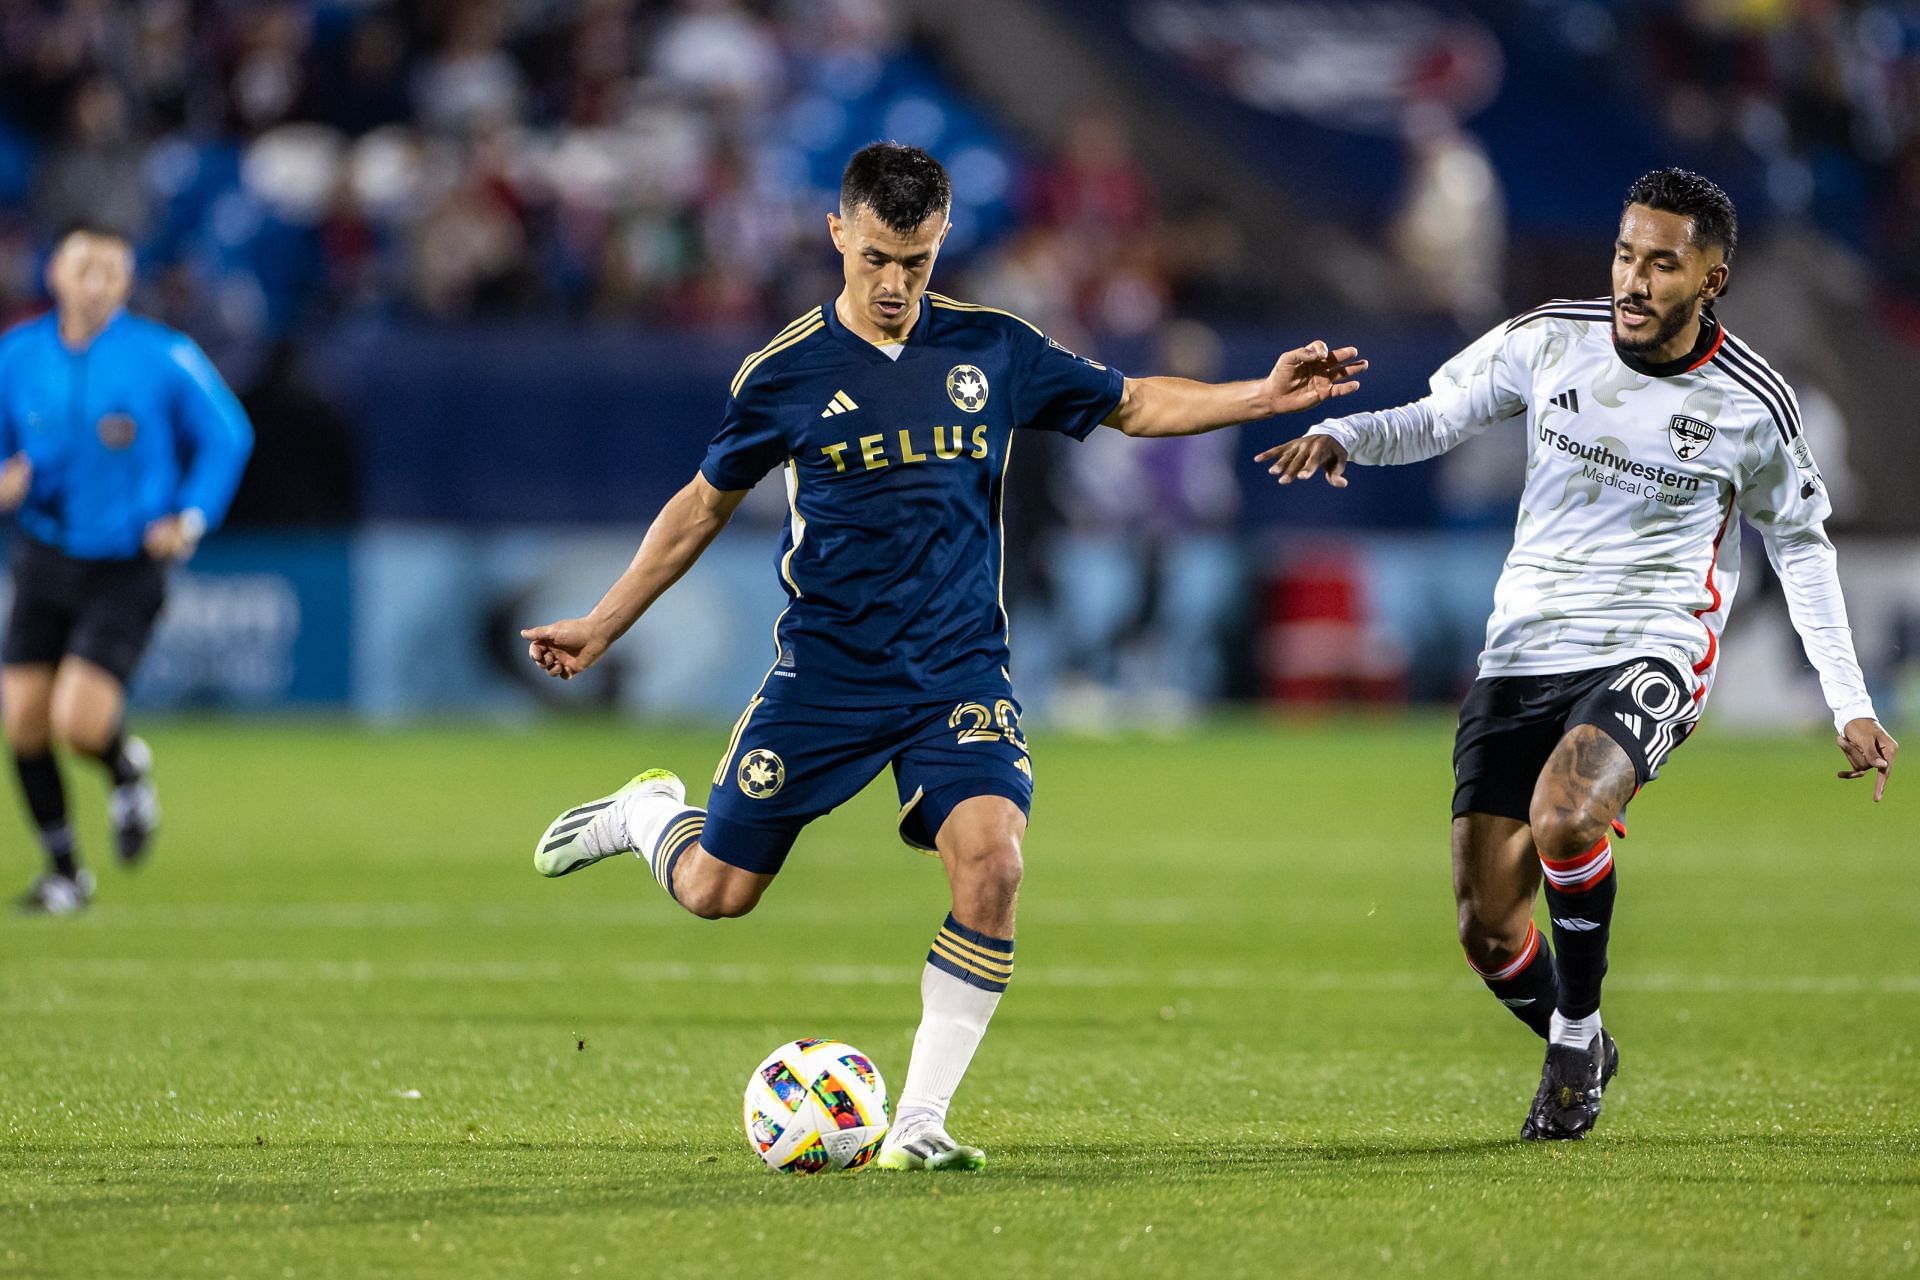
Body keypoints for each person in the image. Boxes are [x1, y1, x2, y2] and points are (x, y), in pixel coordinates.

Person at [521, 142, 1365, 1171]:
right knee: (715, 891)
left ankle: (917, 1120)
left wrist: (1262, 396)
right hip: (827, 673)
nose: (893, 285)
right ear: (838, 234)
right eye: (875, 257)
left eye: (915, 263)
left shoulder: (993, 349)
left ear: (941, 244)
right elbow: (704, 506)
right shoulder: (782, 374)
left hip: (958, 670)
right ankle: (646, 810)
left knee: (994, 861)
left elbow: (1132, 401)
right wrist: (604, 622)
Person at [1259, 168, 1898, 1141]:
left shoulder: (1751, 403)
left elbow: (1799, 543)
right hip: (1522, 646)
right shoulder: (1552, 335)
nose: (1635, 280)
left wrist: (1848, 697)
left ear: (1711, 279)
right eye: (1626, 255)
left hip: (1653, 641)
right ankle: (1581, 1034)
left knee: (1567, 815)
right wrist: (1347, 429)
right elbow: (1438, 413)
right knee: (1487, 925)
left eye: (1663, 264)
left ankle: (1573, 1045)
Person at [0, 224, 254, 915]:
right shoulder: (16, 356)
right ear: (54, 273)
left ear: (124, 281)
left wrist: (190, 517)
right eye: (83, 266)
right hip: (45, 554)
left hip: (127, 565)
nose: (95, 281)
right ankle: (64, 875)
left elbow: (228, 434)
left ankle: (123, 767)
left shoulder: (162, 355)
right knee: (22, 720)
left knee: (78, 724)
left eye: (110, 270)